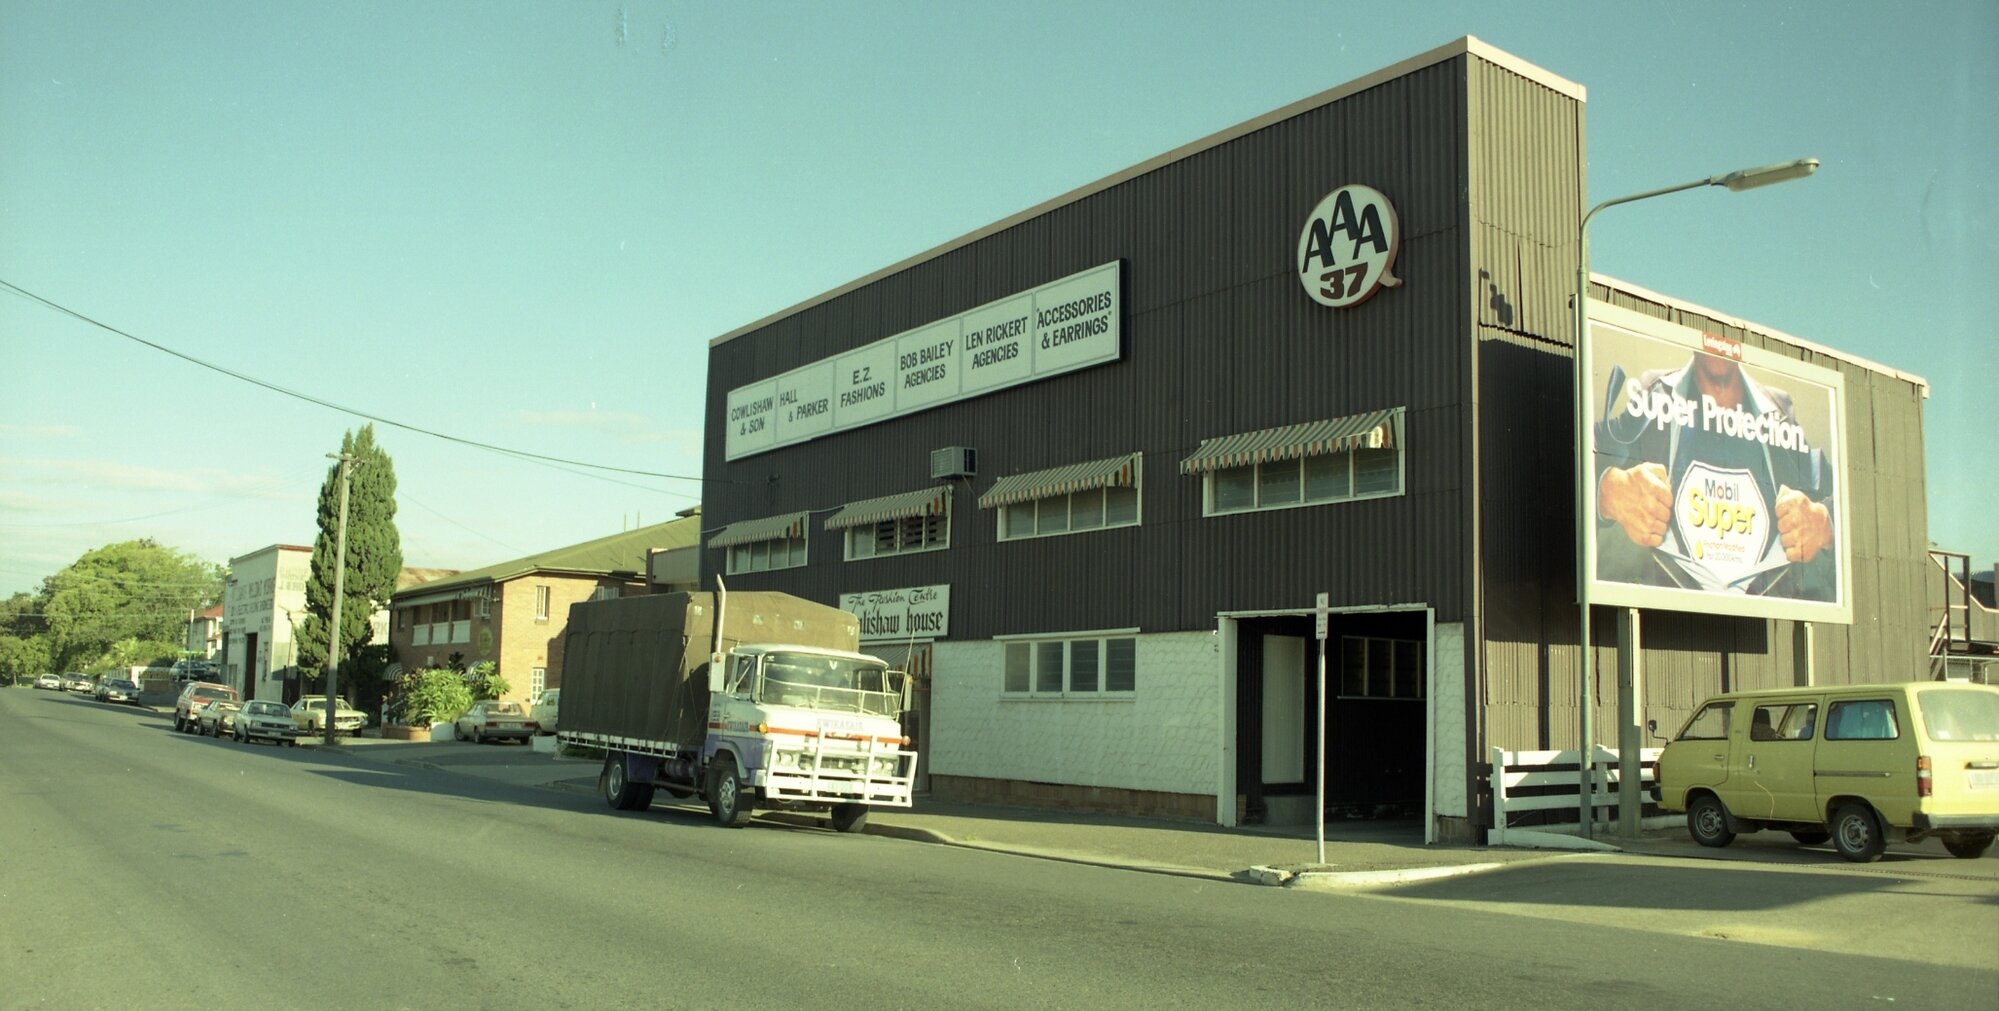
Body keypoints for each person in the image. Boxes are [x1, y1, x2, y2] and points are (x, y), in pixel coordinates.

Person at [1594, 348, 1835, 600]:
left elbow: (1845, 502)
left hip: (1766, 624)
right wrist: (1608, 490)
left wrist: (1825, 523)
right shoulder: (1656, 396)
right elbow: (1585, 449)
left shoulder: (1779, 416)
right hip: (1663, 618)